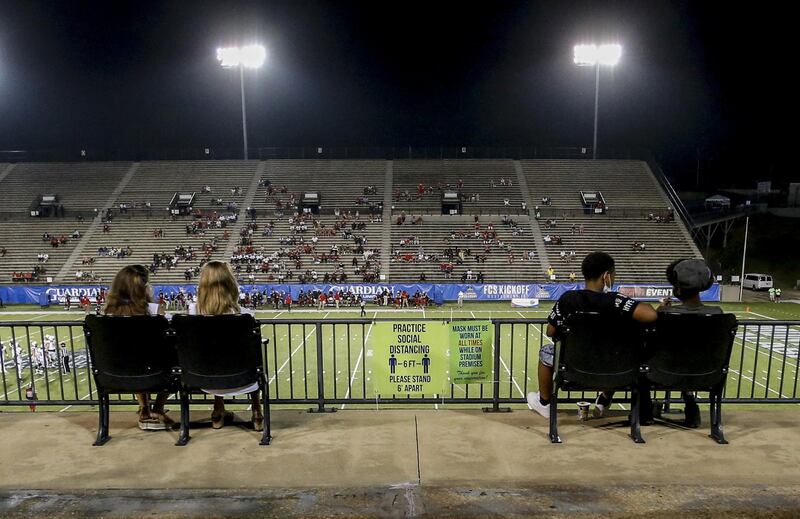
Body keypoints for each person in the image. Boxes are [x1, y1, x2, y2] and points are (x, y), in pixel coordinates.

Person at [527, 251, 658, 420]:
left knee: (546, 351)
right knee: (616, 352)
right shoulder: (617, 301)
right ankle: (604, 400)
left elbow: (550, 331)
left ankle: (544, 402)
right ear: (606, 276)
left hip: (575, 366)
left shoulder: (568, 299)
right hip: (614, 368)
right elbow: (651, 315)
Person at [105, 264, 175, 431]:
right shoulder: (153, 312)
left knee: (135, 359)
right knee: (174, 358)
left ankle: (144, 409)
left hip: (114, 374)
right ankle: (157, 408)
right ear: (144, 288)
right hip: (153, 373)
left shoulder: (105, 316)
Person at [196, 261, 263, 431]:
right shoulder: (245, 316)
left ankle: (217, 412)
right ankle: (257, 412)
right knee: (254, 362)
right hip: (243, 378)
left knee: (214, 358)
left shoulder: (192, 314)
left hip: (203, 378)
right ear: (230, 284)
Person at [657, 258, 719, 428]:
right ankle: (690, 403)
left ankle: (645, 410)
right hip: (708, 374)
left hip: (665, 373)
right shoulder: (717, 314)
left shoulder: (667, 315)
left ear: (677, 288)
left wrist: (662, 310)